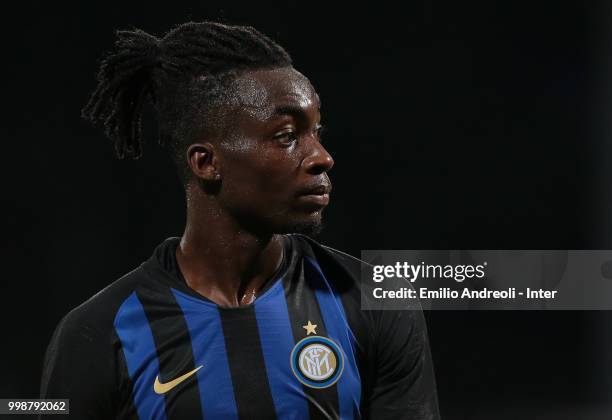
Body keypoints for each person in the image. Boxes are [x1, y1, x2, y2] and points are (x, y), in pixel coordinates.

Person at [40, 21, 440, 419]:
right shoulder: (96, 334)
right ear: (207, 162)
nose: (322, 156)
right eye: (286, 136)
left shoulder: (375, 303)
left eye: (316, 131)